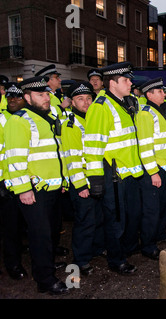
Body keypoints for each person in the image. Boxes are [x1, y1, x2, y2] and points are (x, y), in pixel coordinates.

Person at [4, 76, 69, 294]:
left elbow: (56, 155)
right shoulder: (19, 120)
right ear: (27, 97)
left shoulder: (47, 118)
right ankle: (45, 280)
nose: (46, 98)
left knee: (51, 233)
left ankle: (47, 265)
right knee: (39, 235)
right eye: (40, 95)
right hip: (34, 191)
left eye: (47, 94)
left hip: (52, 188)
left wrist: (62, 181)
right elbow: (15, 159)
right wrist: (23, 189)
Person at [84, 62, 141, 274]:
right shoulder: (101, 106)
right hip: (113, 174)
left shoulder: (123, 103)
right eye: (126, 80)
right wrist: (96, 178)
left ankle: (125, 249)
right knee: (115, 220)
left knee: (130, 216)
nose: (130, 83)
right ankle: (116, 260)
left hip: (129, 172)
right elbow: (92, 145)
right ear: (112, 83)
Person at [60, 81, 105, 276]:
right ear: (71, 102)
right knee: (84, 221)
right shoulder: (71, 125)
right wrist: (80, 186)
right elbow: (72, 158)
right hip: (83, 182)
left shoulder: (93, 120)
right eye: (80, 99)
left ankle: (96, 249)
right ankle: (81, 260)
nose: (86, 103)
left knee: (99, 218)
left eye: (88, 98)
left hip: (97, 179)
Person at [135, 77, 166, 260]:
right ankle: (148, 245)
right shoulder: (145, 114)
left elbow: (165, 143)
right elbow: (145, 146)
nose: (164, 93)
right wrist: (153, 172)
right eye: (160, 91)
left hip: (162, 167)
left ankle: (160, 234)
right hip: (152, 169)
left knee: (164, 206)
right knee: (151, 209)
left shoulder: (159, 110)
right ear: (149, 94)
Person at [0, 82, 28, 280]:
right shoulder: (2, 119)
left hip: (20, 181)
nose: (12, 100)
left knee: (18, 226)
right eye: (9, 96)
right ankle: (12, 264)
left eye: (17, 96)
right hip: (4, 182)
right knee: (8, 227)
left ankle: (17, 259)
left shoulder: (28, 120)